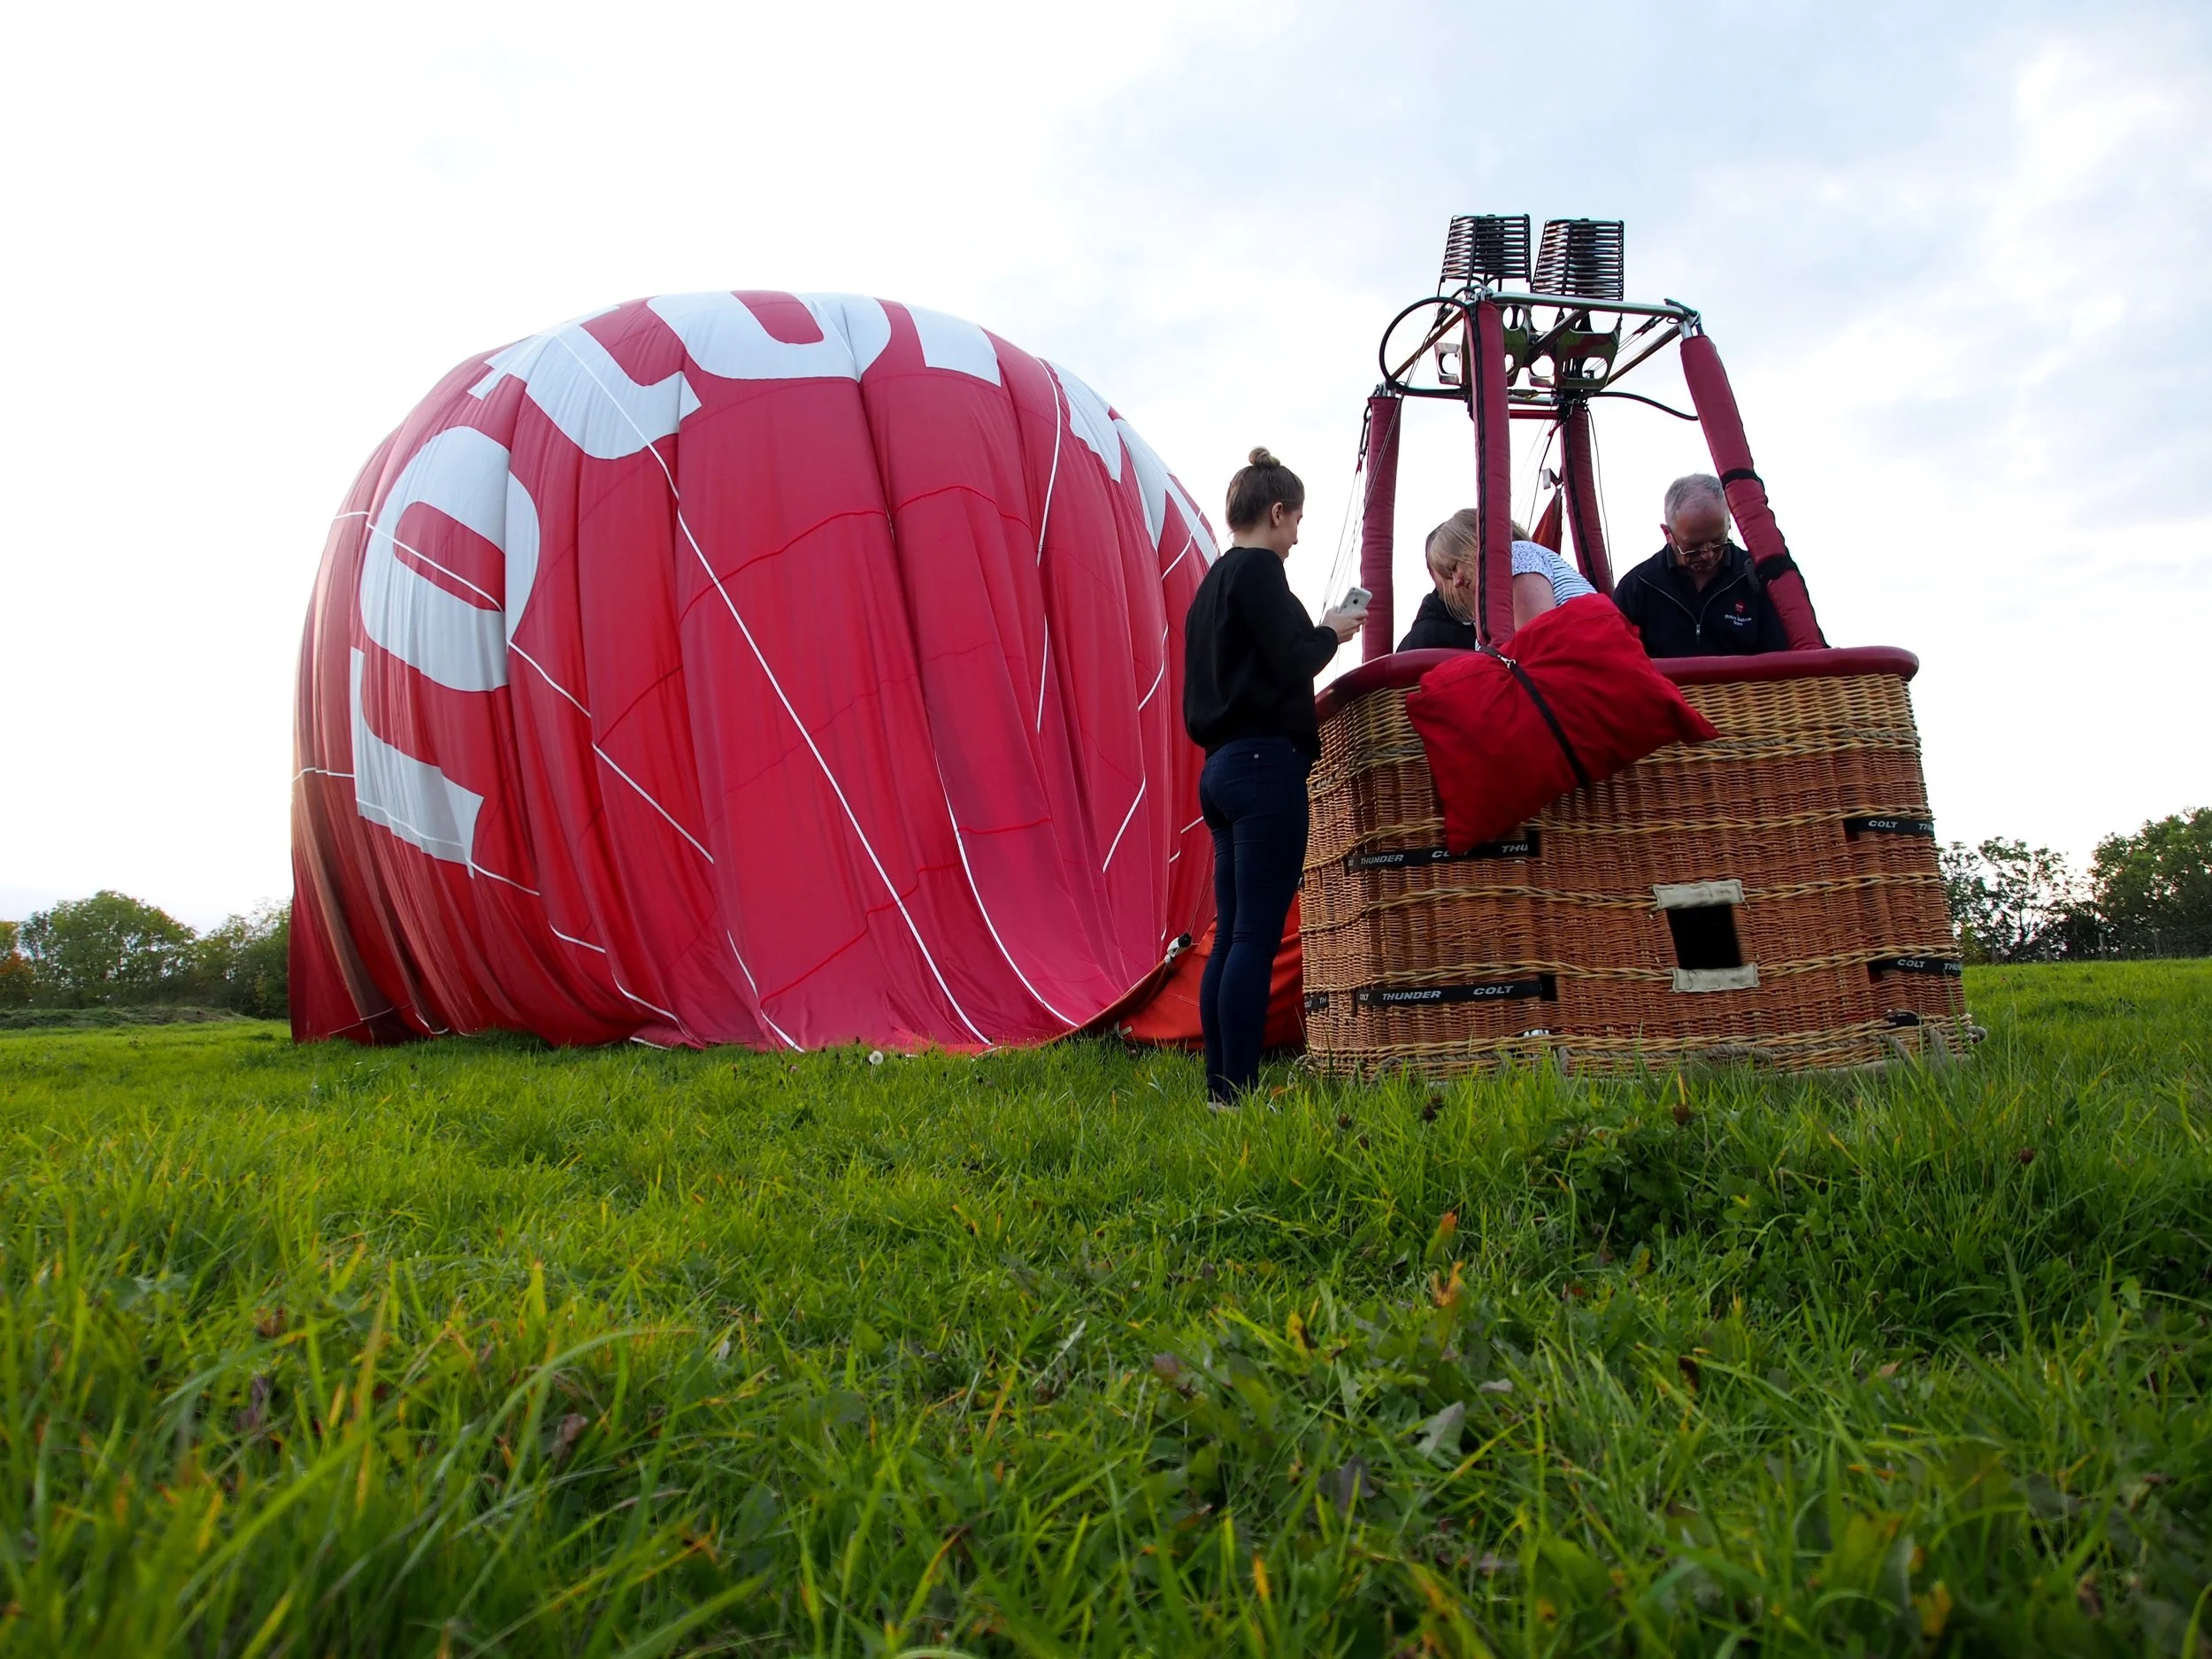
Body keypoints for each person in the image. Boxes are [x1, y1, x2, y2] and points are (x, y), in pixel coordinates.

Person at [1182, 448, 1365, 1108]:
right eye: (1296, 521)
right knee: (1254, 934)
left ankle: (1218, 1087)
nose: (1297, 536)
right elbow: (1292, 661)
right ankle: (1239, 1092)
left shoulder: (1210, 586)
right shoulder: (1261, 572)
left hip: (1221, 769)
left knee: (1232, 931)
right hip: (1264, 766)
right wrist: (1331, 632)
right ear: (1277, 511)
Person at [1611, 474, 1789, 657]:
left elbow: (1784, 659)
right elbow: (1617, 662)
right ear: (1667, 533)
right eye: (1693, 546)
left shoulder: (1759, 578)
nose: (1708, 554)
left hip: (1750, 686)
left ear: (1728, 524)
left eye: (1717, 540)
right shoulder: (1637, 587)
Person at [1396, 510, 1597, 650]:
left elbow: (1540, 647)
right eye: (1449, 576)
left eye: (1455, 567)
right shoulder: (1485, 613)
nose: (1456, 581)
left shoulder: (1517, 555)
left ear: (1473, 545)